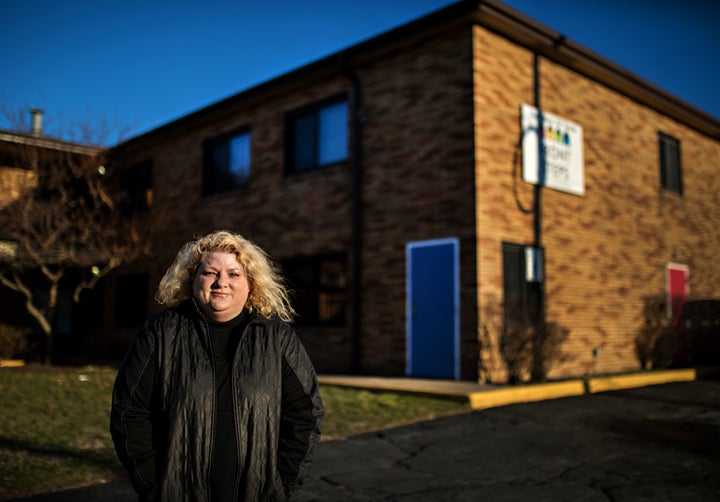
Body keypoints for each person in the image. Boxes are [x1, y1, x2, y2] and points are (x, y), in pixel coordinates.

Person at [110, 230, 324, 502]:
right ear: (193, 279)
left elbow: (306, 411)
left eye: (234, 274)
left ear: (251, 283)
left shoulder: (276, 337)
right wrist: (151, 485)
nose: (221, 282)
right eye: (210, 273)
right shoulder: (160, 332)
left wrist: (282, 483)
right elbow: (129, 411)